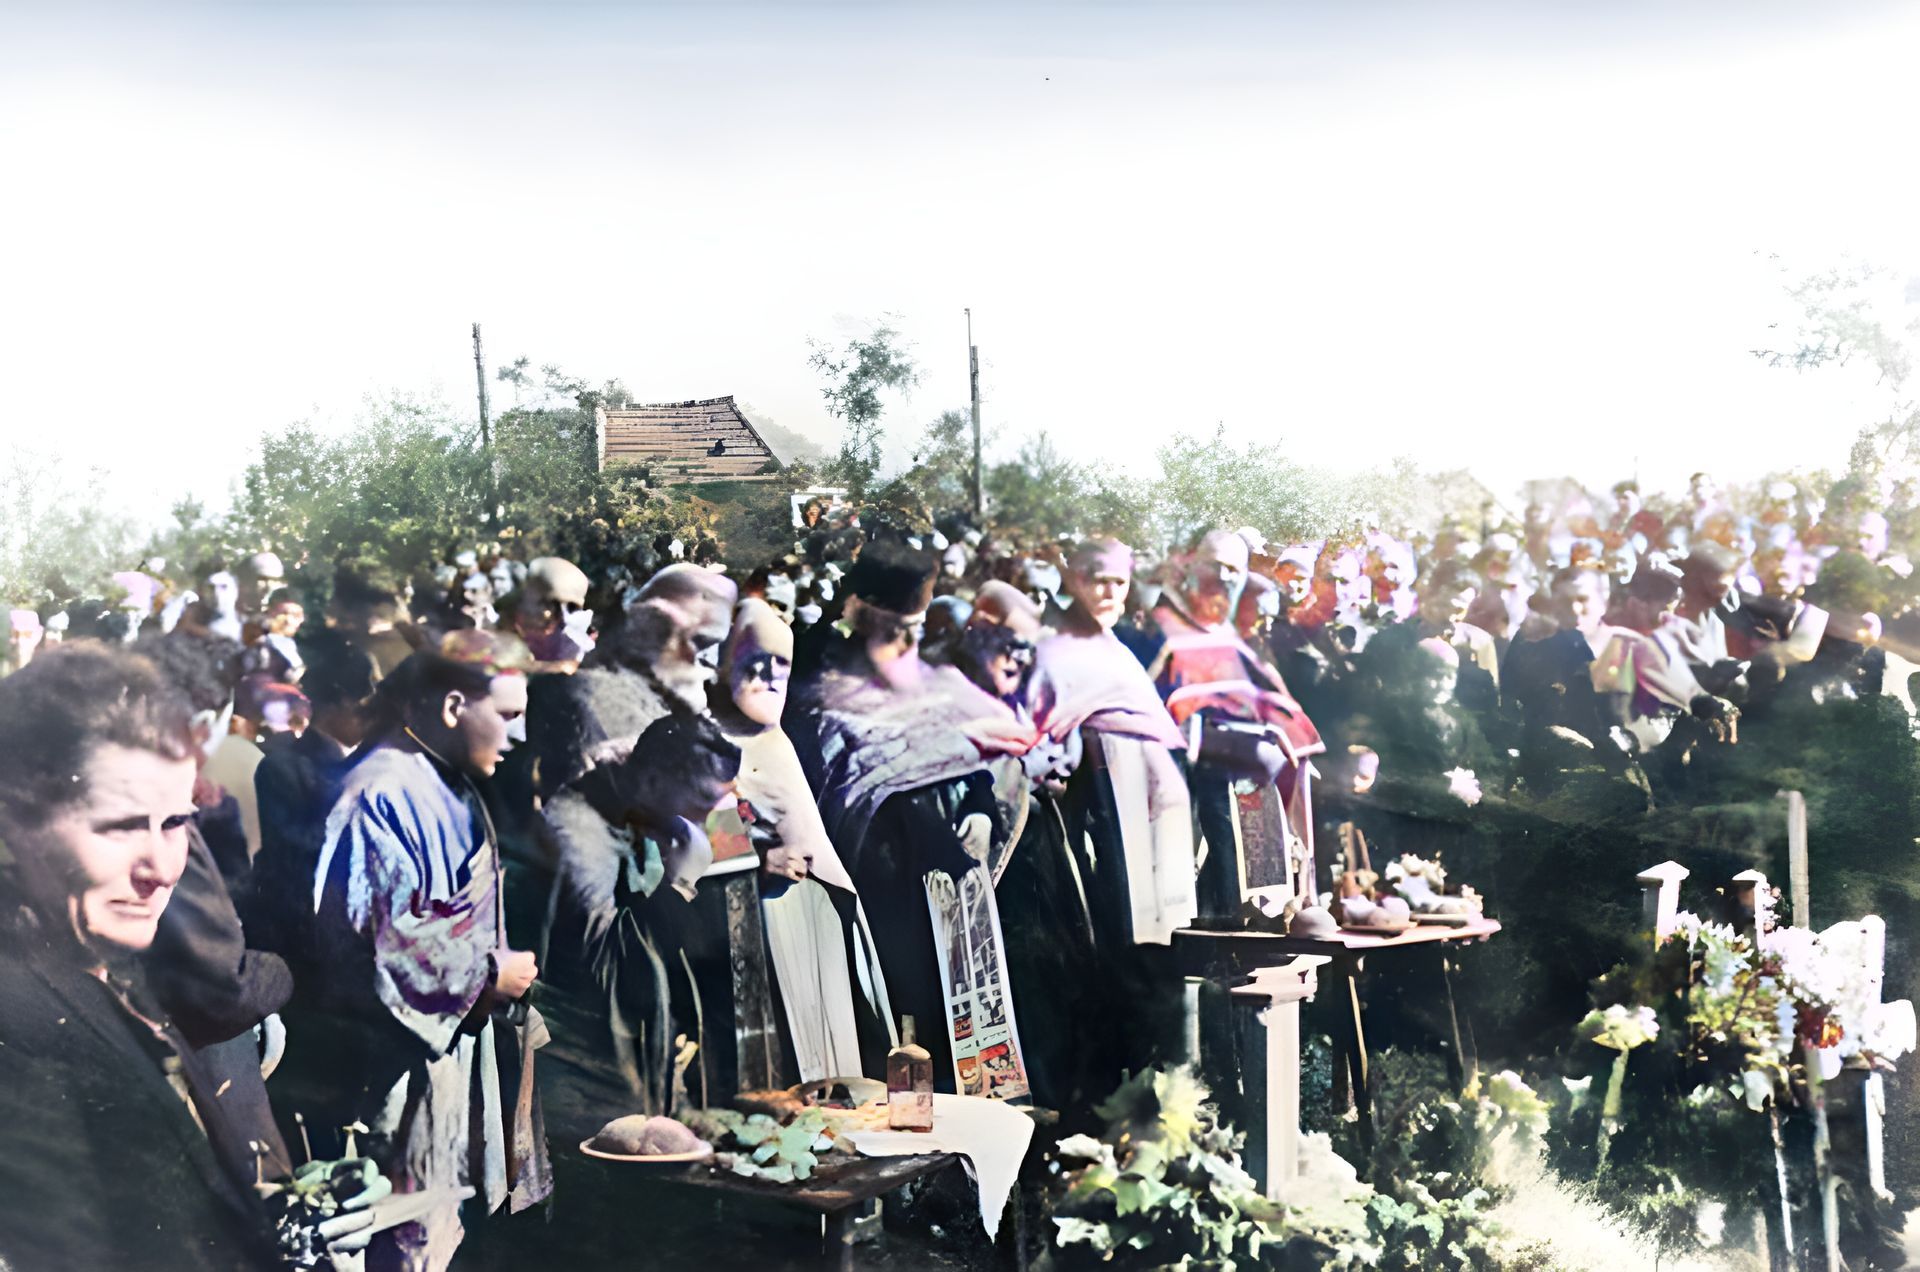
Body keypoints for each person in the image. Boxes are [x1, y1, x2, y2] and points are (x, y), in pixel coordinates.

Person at [0, 644, 320, 1269]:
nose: (163, 868)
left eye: (176, 821)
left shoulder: (118, 966)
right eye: (119, 825)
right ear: (16, 823)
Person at [309, 635, 547, 1270]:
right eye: (509, 715)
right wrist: (491, 972)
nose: (519, 736)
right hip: (394, 1063)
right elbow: (375, 942)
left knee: (441, 1229)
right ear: (451, 706)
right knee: (408, 1238)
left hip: (444, 1048)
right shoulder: (378, 789)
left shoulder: (436, 775)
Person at [789, 539, 1038, 1097]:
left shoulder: (917, 663)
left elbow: (956, 738)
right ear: (860, 606)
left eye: (916, 625)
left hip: (942, 858)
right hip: (871, 862)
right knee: (900, 1002)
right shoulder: (813, 660)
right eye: (895, 624)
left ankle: (964, 1113)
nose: (906, 639)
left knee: (959, 994)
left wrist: (978, 805)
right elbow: (816, 754)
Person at [709, 598, 894, 1082]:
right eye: (755, 660)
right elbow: (708, 839)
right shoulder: (706, 739)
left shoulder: (774, 738)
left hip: (816, 909)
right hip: (762, 925)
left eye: (782, 664)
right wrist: (756, 863)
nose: (770, 675)